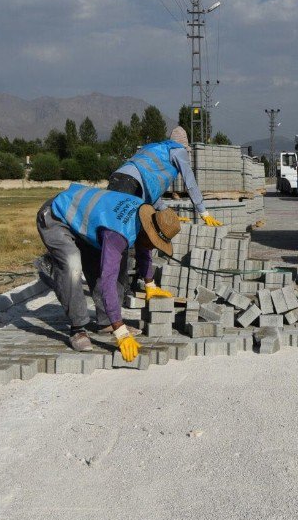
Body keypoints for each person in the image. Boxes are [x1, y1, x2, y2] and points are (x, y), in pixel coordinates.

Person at [36, 184, 180, 358]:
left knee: (116, 265)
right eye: (153, 242)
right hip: (56, 215)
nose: (152, 247)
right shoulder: (117, 233)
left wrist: (150, 283)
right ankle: (77, 328)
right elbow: (107, 281)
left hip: (88, 223)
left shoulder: (144, 219)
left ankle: (106, 322)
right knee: (72, 265)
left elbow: (144, 249)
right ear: (147, 230)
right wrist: (121, 331)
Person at [107, 125, 222, 300]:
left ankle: (137, 285)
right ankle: (120, 291)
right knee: (126, 238)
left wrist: (166, 211)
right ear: (184, 146)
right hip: (130, 186)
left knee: (122, 234)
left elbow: (149, 189)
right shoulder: (178, 150)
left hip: (118, 180)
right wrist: (203, 211)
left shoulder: (154, 149)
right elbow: (190, 182)